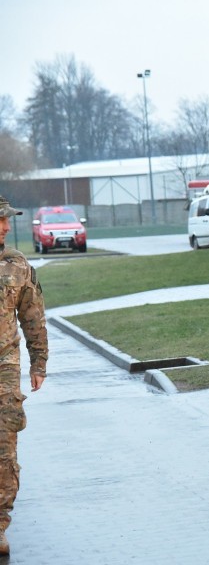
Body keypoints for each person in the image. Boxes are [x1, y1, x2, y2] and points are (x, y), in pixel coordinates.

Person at [0, 195, 48, 556]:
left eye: (7, 220)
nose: (5, 226)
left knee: (4, 449)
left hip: (4, 369)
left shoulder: (16, 265)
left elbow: (33, 315)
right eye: (0, 220)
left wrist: (39, 363)